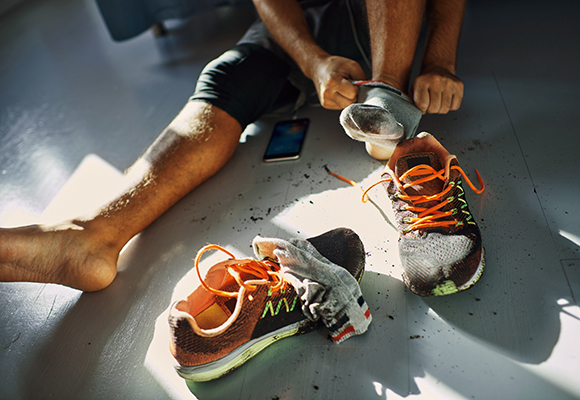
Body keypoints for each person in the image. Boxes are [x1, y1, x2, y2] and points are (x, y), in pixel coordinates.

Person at [0, 0, 466, 292]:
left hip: (388, 20)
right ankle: (93, 237)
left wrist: (439, 59)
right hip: (304, 21)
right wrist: (314, 62)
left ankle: (386, 100)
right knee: (228, 79)